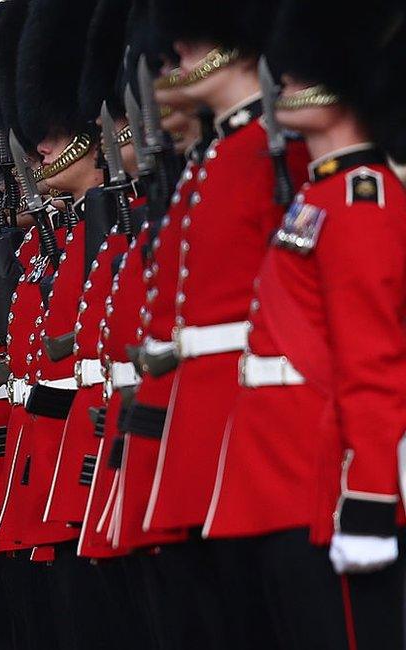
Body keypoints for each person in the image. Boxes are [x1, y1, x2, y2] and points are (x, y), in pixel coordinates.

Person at [204, 0, 406, 646]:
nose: (284, 79)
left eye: (303, 70)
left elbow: (373, 363)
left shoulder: (361, 200)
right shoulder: (319, 198)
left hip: (327, 492)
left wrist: (370, 501)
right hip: (281, 483)